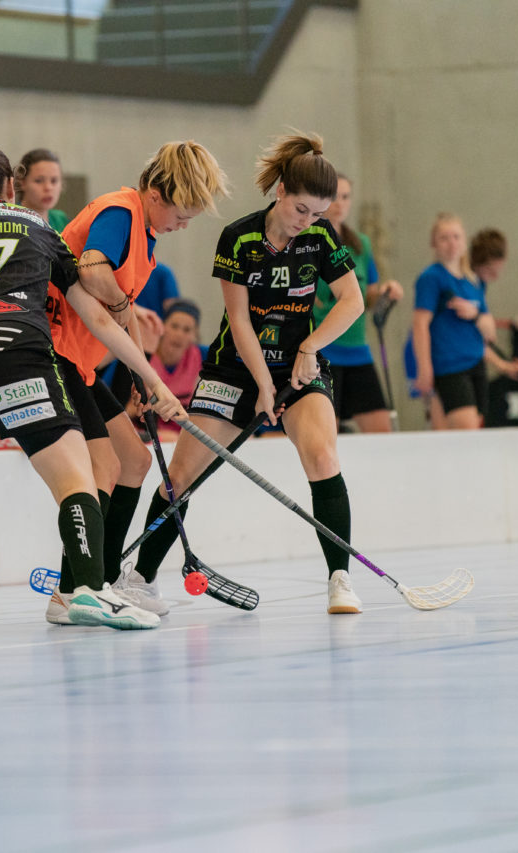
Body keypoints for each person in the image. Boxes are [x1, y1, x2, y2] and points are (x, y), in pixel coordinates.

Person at [0, 146, 186, 632]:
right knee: (78, 479)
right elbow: (97, 319)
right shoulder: (40, 227)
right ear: (11, 187)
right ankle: (86, 591)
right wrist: (151, 379)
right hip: (16, 353)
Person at [130, 132, 365, 615]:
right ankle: (139, 580)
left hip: (298, 368)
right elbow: (238, 320)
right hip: (235, 368)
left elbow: (352, 302)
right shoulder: (239, 238)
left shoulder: (321, 237)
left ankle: (340, 580)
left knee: (323, 456)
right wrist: (261, 385)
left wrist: (310, 347)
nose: (307, 222)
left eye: (318, 214)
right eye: (301, 209)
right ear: (281, 192)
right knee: (181, 477)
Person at [45, 140, 229, 623]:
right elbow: (91, 270)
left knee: (136, 459)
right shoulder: (120, 211)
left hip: (83, 364)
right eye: (181, 215)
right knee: (105, 465)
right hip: (55, 354)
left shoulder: (145, 235)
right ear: (155, 194)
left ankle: (106, 580)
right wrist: (126, 314)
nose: (183, 225)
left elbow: (122, 309)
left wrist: (142, 378)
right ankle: (70, 590)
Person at [315, 173, 403, 433]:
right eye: (334, 197)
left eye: (346, 197)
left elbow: (369, 297)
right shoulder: (308, 241)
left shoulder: (361, 244)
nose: (340, 204)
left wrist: (386, 292)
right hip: (323, 349)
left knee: (381, 430)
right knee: (325, 432)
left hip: (357, 349)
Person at [411, 212, 495, 430]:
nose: (452, 244)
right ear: (434, 243)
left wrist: (474, 314)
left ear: (464, 240)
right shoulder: (432, 278)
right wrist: (424, 368)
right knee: (466, 430)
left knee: (463, 429)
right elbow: (420, 324)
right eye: (444, 238)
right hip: (450, 365)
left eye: (456, 237)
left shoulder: (473, 280)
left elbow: (489, 329)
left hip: (475, 363)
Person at [108, 299, 204, 437]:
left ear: (194, 335)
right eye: (174, 326)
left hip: (179, 435)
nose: (179, 334)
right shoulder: (141, 353)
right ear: (163, 327)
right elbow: (115, 405)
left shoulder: (200, 355)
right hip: (140, 432)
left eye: (187, 330)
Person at [468, 228, 518, 381]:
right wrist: (502, 365)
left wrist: (504, 364)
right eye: (490, 271)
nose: (496, 276)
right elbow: (468, 337)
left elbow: (485, 335)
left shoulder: (479, 284)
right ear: (477, 262)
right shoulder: (463, 286)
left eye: (498, 270)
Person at [16, 148, 69, 232]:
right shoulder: (10, 219)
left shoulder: (61, 220)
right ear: (22, 182)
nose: (48, 187)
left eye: (54, 181)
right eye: (39, 181)